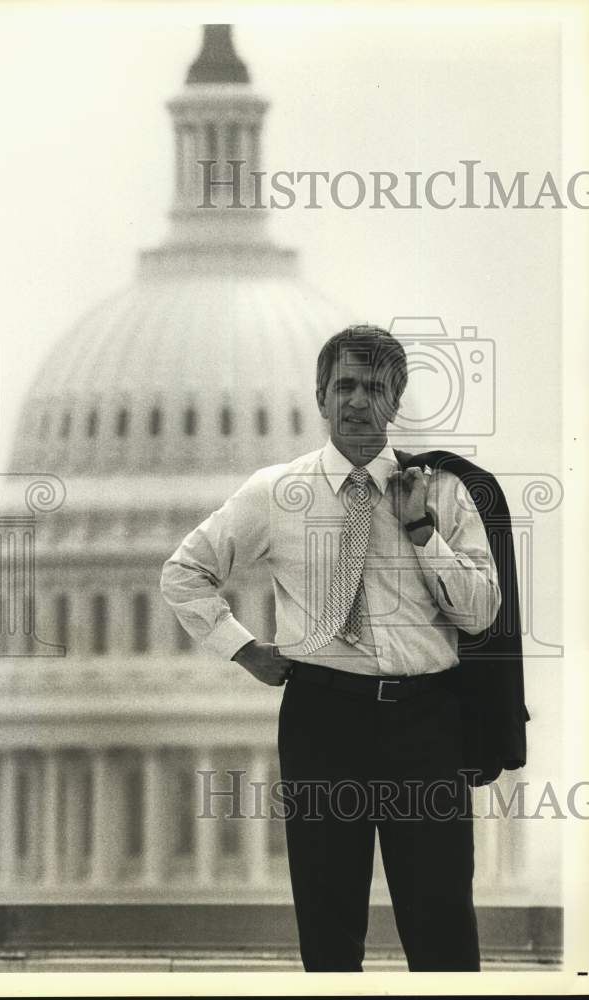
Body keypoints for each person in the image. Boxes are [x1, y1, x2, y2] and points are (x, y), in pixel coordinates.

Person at [160, 324, 503, 972]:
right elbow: (183, 572)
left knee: (443, 928)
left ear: (395, 400)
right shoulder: (275, 491)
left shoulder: (442, 492)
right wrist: (244, 649)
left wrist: (422, 531)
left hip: (425, 722)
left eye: (374, 388)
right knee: (328, 928)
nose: (357, 401)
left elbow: (481, 611)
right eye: (344, 386)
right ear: (320, 396)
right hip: (323, 719)